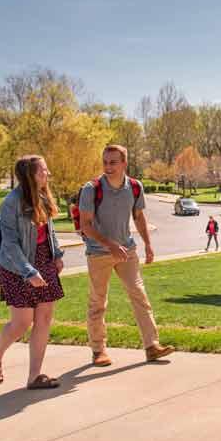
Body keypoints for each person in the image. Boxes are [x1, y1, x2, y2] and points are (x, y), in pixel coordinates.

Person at [79, 145, 175, 366]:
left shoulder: (134, 187)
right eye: (105, 162)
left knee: (139, 294)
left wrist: (148, 245)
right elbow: (85, 225)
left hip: (127, 251)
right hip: (98, 253)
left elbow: (139, 217)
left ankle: (152, 346)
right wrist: (109, 244)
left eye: (113, 162)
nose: (108, 166)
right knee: (98, 302)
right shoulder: (91, 188)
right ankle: (98, 350)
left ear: (124, 163)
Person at [0, 155, 65, 390]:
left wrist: (57, 254)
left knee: (44, 318)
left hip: (44, 260)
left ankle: (34, 376)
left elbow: (49, 228)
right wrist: (28, 271)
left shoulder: (42, 196)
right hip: (16, 266)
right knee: (22, 323)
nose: (47, 174)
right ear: (30, 175)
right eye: (43, 171)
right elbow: (9, 243)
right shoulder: (12, 202)